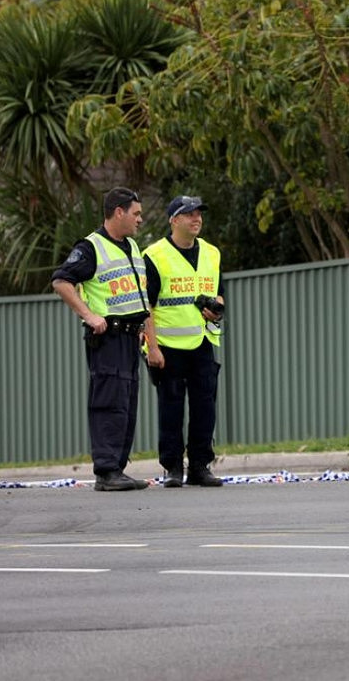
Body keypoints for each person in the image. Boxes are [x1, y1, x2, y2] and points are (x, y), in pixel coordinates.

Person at [51, 187, 150, 491]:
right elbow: (61, 281)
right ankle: (106, 471)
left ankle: (116, 468)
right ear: (118, 212)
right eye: (136, 213)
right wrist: (89, 315)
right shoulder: (91, 247)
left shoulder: (131, 246)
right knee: (109, 402)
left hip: (131, 338)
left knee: (127, 403)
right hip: (108, 339)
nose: (140, 219)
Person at [142, 195, 225, 488]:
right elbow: (146, 305)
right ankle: (173, 467)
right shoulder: (154, 255)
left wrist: (215, 309)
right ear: (173, 220)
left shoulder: (212, 253)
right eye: (189, 214)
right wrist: (152, 346)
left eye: (199, 213)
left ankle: (200, 466)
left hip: (202, 340)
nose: (196, 218)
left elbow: (219, 292)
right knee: (171, 407)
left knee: (205, 407)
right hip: (167, 345)